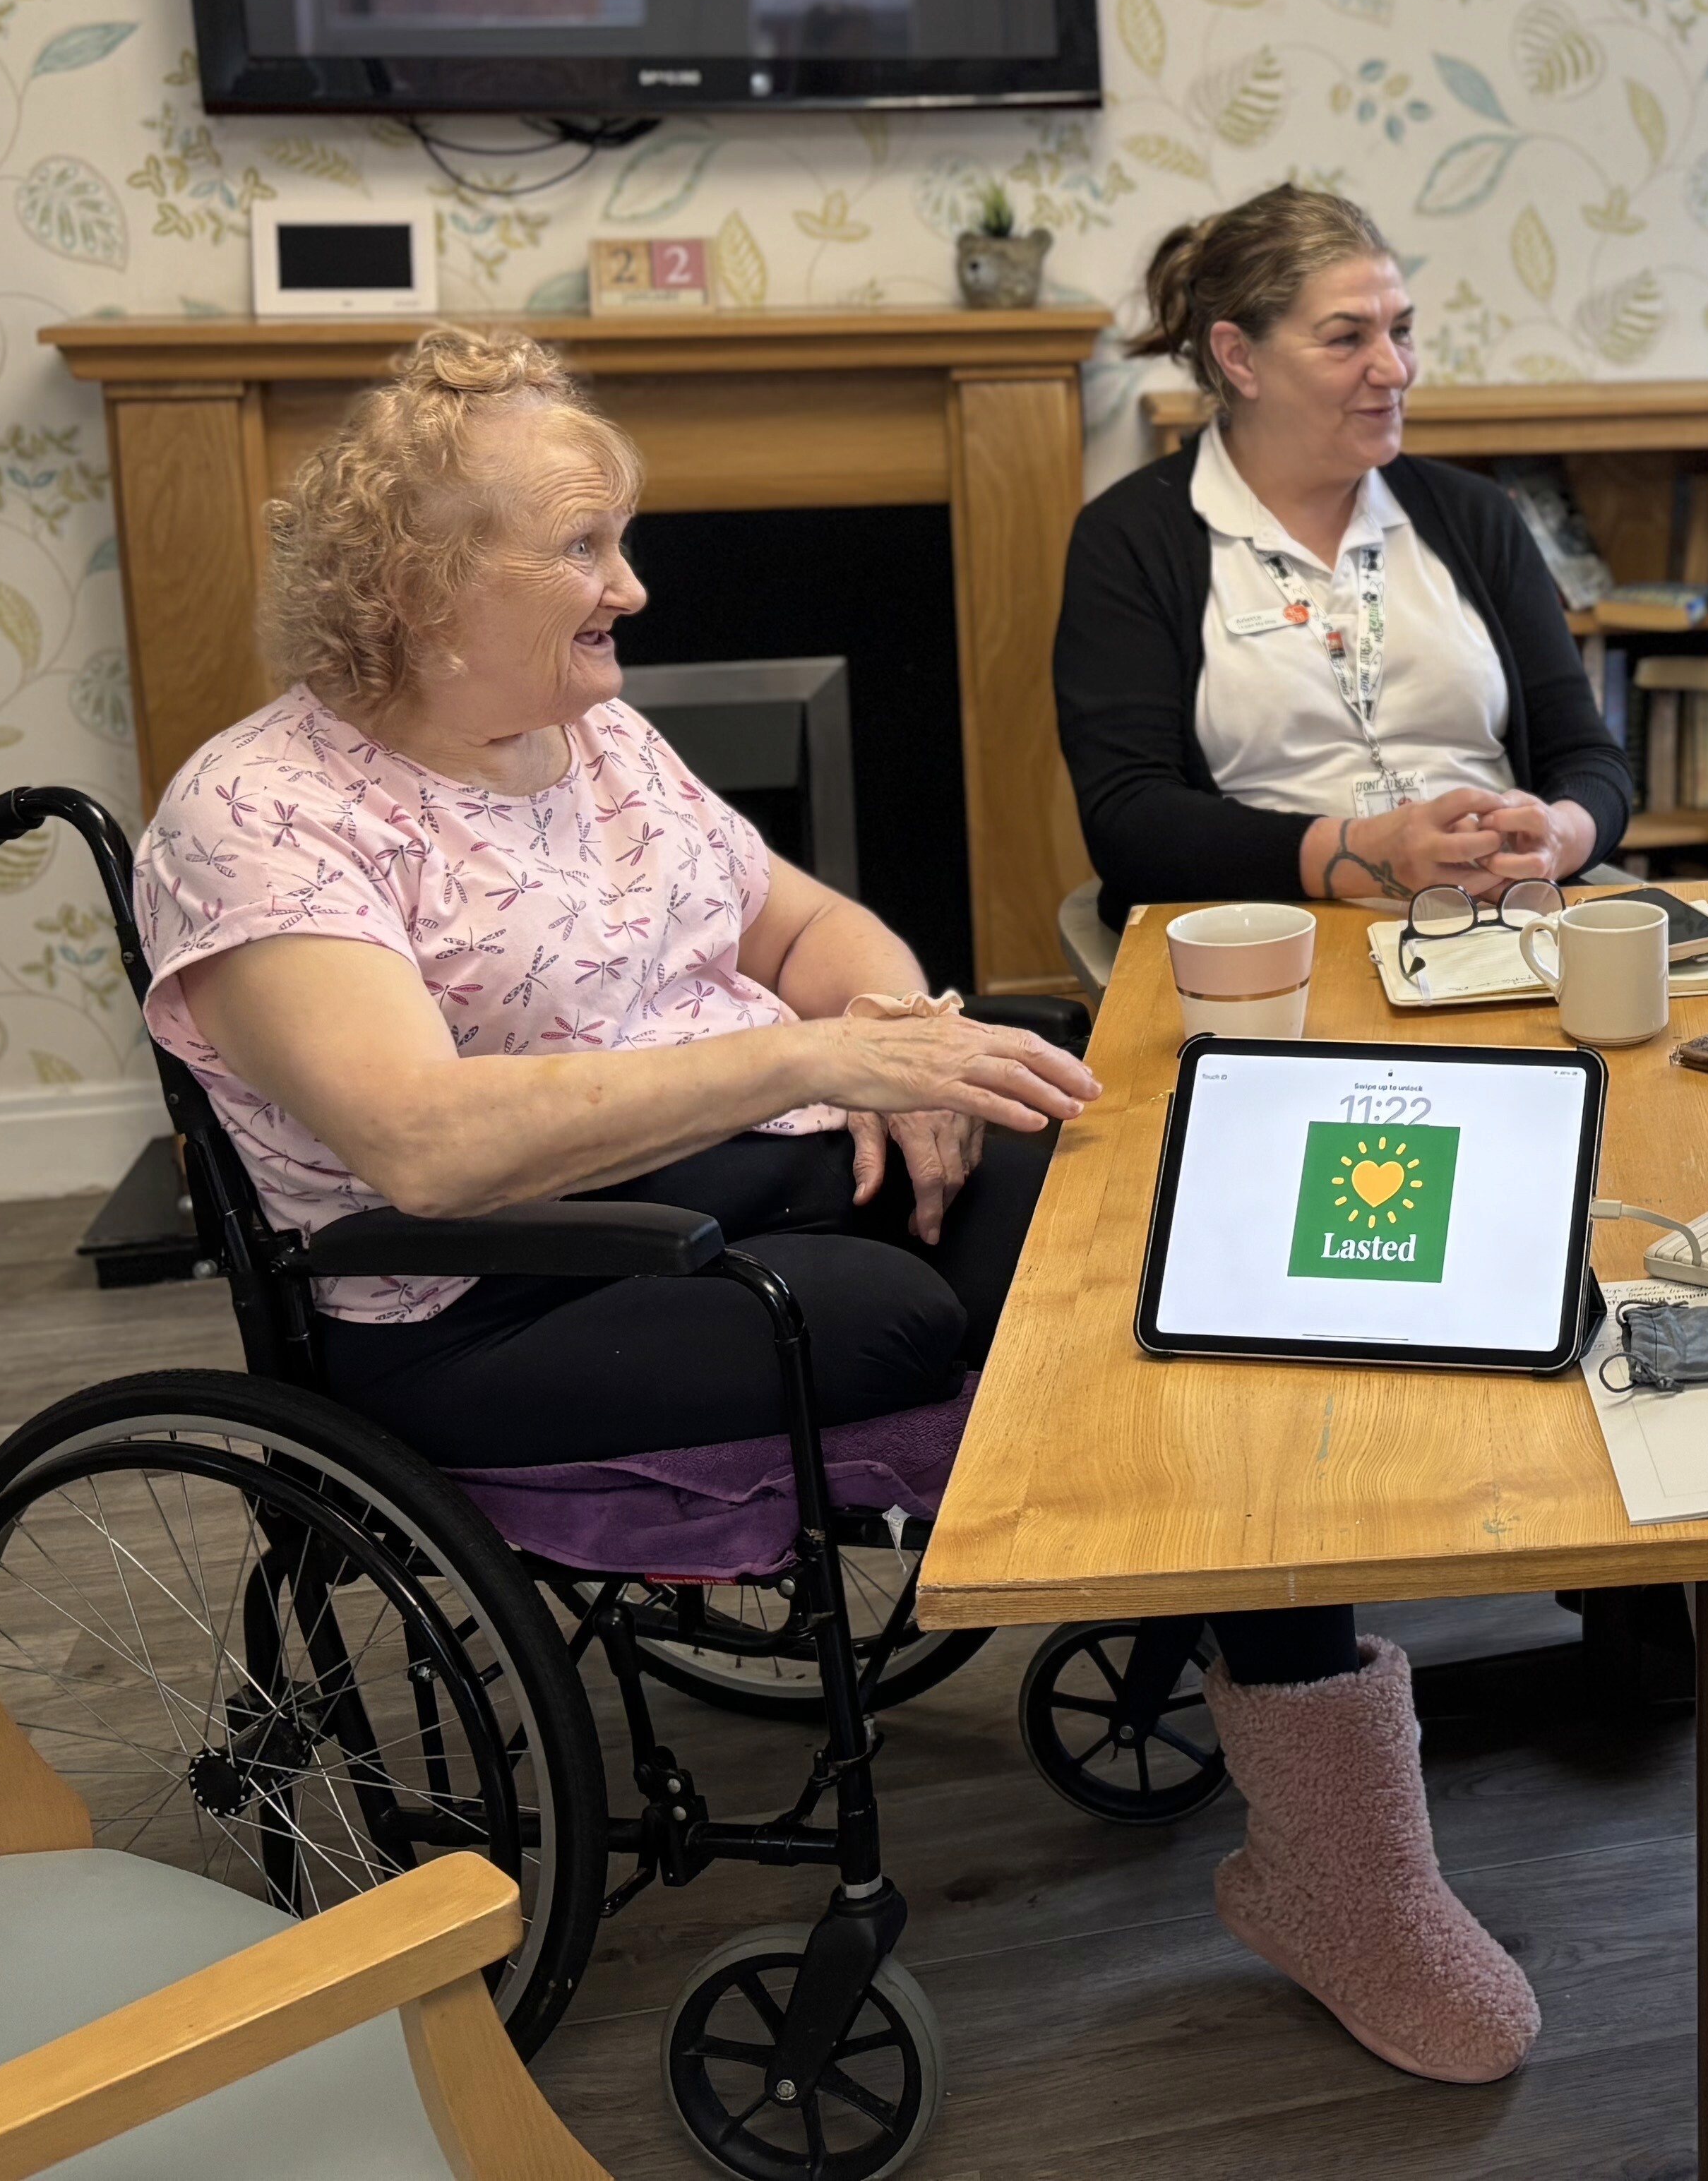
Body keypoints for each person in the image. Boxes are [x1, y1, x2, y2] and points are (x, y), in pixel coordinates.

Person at [134, 324, 1539, 2088]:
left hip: (750, 1170)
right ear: (421, 586)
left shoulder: (592, 738)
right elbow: (425, 1148)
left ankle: (1341, 1859)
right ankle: (1271, 1680)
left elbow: (798, 928)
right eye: (583, 549)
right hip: (477, 1293)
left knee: (1148, 1195)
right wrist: (822, 1067)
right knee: (897, 1319)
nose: (632, 588)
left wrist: (904, 1033)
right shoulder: (262, 817)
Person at [1057, 181, 1630, 914]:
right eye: (1347, 339)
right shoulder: (1131, 538)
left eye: (1402, 331)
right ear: (1239, 357)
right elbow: (1130, 820)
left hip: (1500, 927)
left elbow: (1589, 760)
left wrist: (1559, 835)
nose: (1395, 369)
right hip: (1270, 941)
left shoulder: (1476, 516)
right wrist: (1366, 855)